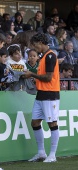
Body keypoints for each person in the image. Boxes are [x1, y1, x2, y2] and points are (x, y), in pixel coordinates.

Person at [23, 33, 60, 162]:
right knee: (35, 122)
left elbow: (49, 77)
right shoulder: (43, 57)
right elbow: (43, 77)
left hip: (50, 94)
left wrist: (32, 75)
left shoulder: (50, 56)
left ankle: (53, 155)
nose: (35, 48)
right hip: (41, 94)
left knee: (52, 123)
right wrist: (35, 80)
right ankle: (41, 153)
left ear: (40, 42)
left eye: (35, 45)